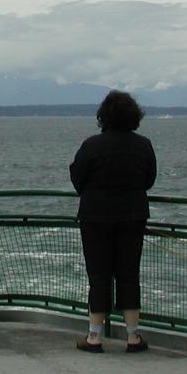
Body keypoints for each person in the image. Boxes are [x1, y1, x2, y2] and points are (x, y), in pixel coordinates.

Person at [69, 90, 157, 353]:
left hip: (95, 217)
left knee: (99, 276)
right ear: (134, 116)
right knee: (129, 274)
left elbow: (78, 180)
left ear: (103, 116)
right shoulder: (143, 145)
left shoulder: (91, 145)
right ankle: (133, 336)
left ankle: (94, 337)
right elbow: (149, 180)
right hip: (133, 215)